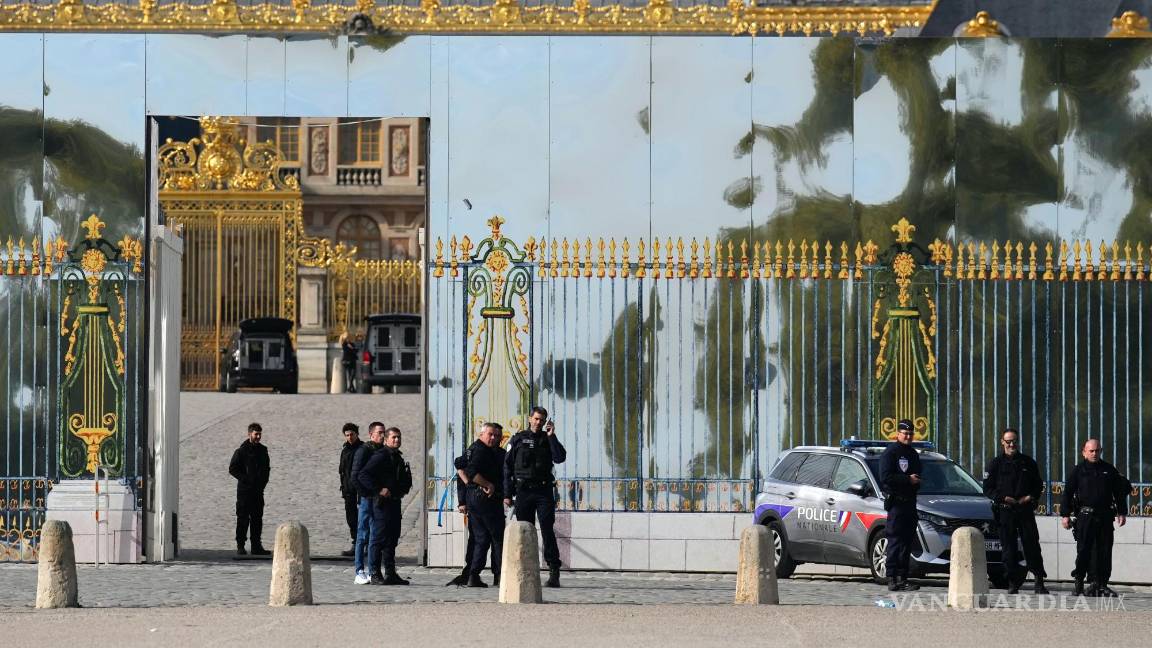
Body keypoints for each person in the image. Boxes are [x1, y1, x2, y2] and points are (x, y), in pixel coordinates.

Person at [504, 406, 567, 587]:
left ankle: (554, 570)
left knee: (547, 529)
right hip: (523, 491)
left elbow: (560, 458)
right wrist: (507, 494)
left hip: (543, 491)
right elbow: (507, 468)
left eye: (542, 420)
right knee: (526, 530)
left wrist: (552, 436)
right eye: (536, 419)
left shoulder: (548, 439)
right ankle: (526, 569)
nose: (538, 422)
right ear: (530, 418)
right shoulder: (517, 439)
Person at [1060, 438, 1130, 597]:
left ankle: (1102, 584)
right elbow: (1067, 493)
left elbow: (1119, 492)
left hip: (1105, 516)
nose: (1094, 453)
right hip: (1085, 516)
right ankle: (1079, 582)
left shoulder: (1109, 469)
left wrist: (1122, 512)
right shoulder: (1078, 470)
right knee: (1083, 550)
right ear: (1084, 452)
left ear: (1101, 451)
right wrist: (1065, 515)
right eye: (1091, 451)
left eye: (1097, 451)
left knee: (1105, 551)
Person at [982, 427, 1048, 594]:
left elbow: (1038, 485)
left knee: (1032, 545)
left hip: (1024, 510)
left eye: (1014, 441)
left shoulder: (1028, 462)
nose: (1012, 444)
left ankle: (1039, 581)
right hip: (1005, 511)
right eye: (1008, 441)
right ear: (1002, 442)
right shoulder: (995, 464)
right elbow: (988, 488)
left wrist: (1030, 497)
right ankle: (1012, 582)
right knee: (1008, 548)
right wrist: (1003, 498)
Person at [359, 427, 413, 585]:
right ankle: (375, 573)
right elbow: (363, 475)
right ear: (386, 439)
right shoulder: (381, 455)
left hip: (395, 502)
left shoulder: (397, 456)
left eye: (399, 437)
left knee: (392, 538)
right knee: (378, 538)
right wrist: (378, 489)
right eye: (394, 437)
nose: (397, 440)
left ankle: (390, 573)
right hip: (382, 504)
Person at [878, 419, 921, 592]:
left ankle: (903, 578)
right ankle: (891, 577)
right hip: (896, 503)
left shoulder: (913, 453)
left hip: (910, 503)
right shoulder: (891, 452)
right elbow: (885, 477)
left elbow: (918, 474)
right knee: (895, 541)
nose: (908, 436)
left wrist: (915, 481)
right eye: (905, 433)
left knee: (906, 542)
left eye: (911, 434)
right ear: (898, 434)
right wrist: (907, 480)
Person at [465, 422, 507, 588]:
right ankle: (498, 575)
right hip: (485, 500)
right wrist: (487, 484)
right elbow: (470, 471)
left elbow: (460, 464)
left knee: (481, 539)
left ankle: (474, 575)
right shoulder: (480, 450)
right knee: (497, 538)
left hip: (477, 499)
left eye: (497, 436)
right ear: (481, 434)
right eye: (491, 434)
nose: (494, 438)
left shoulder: (481, 449)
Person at [229, 422, 271, 556]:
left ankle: (256, 546)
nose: (258, 437)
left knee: (257, 519)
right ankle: (240, 545)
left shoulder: (263, 451)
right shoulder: (241, 451)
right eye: (256, 434)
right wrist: (246, 479)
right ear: (249, 434)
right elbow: (232, 469)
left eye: (260, 434)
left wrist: (263, 482)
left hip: (258, 491)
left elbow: (267, 469)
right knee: (243, 518)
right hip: (244, 492)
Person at [351, 422, 385, 584]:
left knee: (375, 534)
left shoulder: (382, 451)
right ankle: (359, 570)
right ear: (371, 434)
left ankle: (372, 570)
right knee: (363, 534)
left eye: (384, 432)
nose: (382, 435)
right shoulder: (363, 450)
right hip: (367, 498)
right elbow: (355, 476)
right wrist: (365, 494)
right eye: (379, 433)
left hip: (378, 499)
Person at [338, 422, 363, 557]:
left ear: (357, 434)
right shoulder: (345, 450)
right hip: (348, 491)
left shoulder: (363, 449)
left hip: (360, 491)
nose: (349, 437)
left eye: (352, 434)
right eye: (347, 435)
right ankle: (355, 543)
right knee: (351, 518)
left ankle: (364, 544)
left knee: (363, 518)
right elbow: (343, 471)